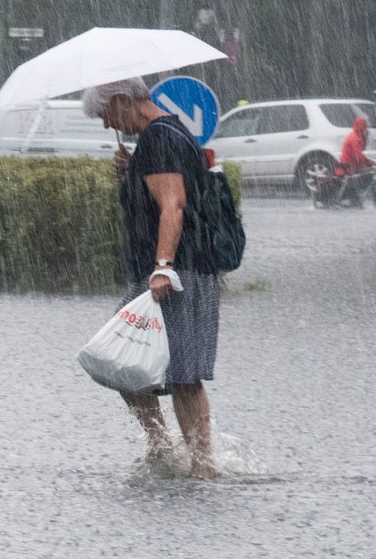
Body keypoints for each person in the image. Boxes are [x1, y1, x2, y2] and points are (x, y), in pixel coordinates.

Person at [89, 77, 224, 480]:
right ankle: (173, 453)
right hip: (180, 267)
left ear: (124, 100)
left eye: (104, 113)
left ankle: (197, 464)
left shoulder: (159, 139)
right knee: (132, 365)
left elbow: (173, 204)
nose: (105, 124)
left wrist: (163, 266)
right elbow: (169, 190)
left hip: (171, 273)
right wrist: (133, 169)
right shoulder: (168, 133)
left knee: (167, 372)